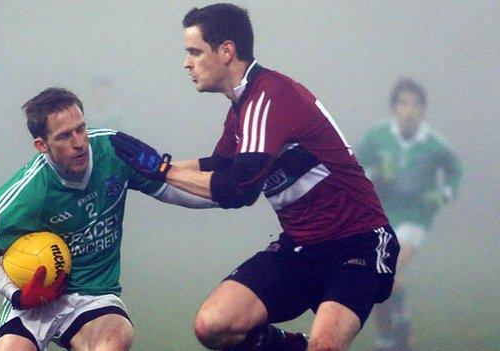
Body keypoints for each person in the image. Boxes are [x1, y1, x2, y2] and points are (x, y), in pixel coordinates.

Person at [109, 3, 400, 351]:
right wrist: (146, 171)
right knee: (212, 325)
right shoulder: (242, 109)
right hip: (300, 247)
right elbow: (219, 168)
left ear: (227, 51)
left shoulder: (269, 96)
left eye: (195, 52)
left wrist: (162, 171)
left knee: (326, 346)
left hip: (358, 244)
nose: (186, 63)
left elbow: (238, 189)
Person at [0, 87, 217, 351]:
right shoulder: (28, 193)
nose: (79, 142)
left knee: (115, 339)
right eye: (64, 136)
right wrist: (17, 295)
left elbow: (169, 188)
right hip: (36, 302)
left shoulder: (113, 150)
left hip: (93, 294)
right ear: (42, 145)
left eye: (81, 129)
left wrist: (228, 194)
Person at [356, 78, 463, 351]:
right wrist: (374, 177)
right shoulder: (378, 136)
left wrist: (443, 195)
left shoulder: (434, 143)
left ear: (423, 110)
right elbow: (355, 165)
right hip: (382, 213)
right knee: (376, 274)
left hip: (416, 216)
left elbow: (455, 171)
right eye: (403, 102)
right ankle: (387, 337)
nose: (409, 109)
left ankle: (400, 321)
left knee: (388, 266)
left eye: (415, 104)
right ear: (393, 108)